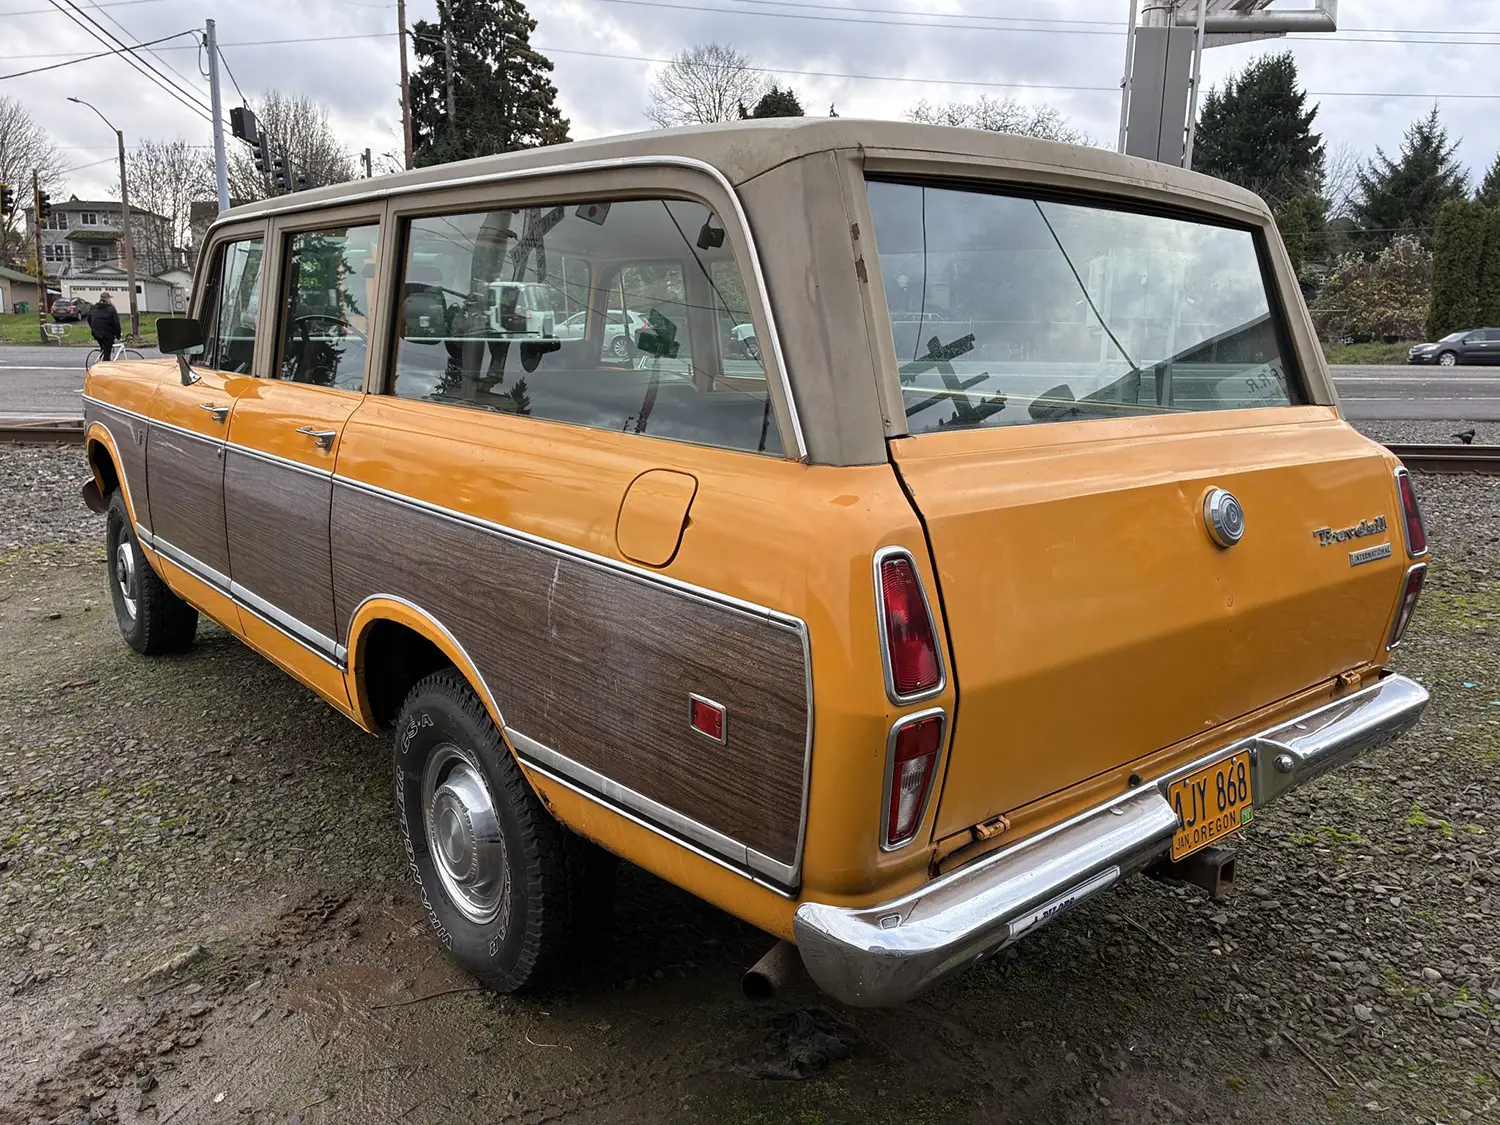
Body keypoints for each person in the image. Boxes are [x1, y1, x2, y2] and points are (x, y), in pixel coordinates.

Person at [87, 293, 122, 362]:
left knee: (104, 347)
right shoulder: (111, 309)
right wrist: (118, 335)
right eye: (110, 299)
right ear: (108, 299)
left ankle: (102, 355)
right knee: (107, 353)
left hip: (96, 333)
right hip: (107, 334)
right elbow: (116, 323)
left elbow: (89, 319)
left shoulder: (93, 307)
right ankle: (104, 367)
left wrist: (93, 328)